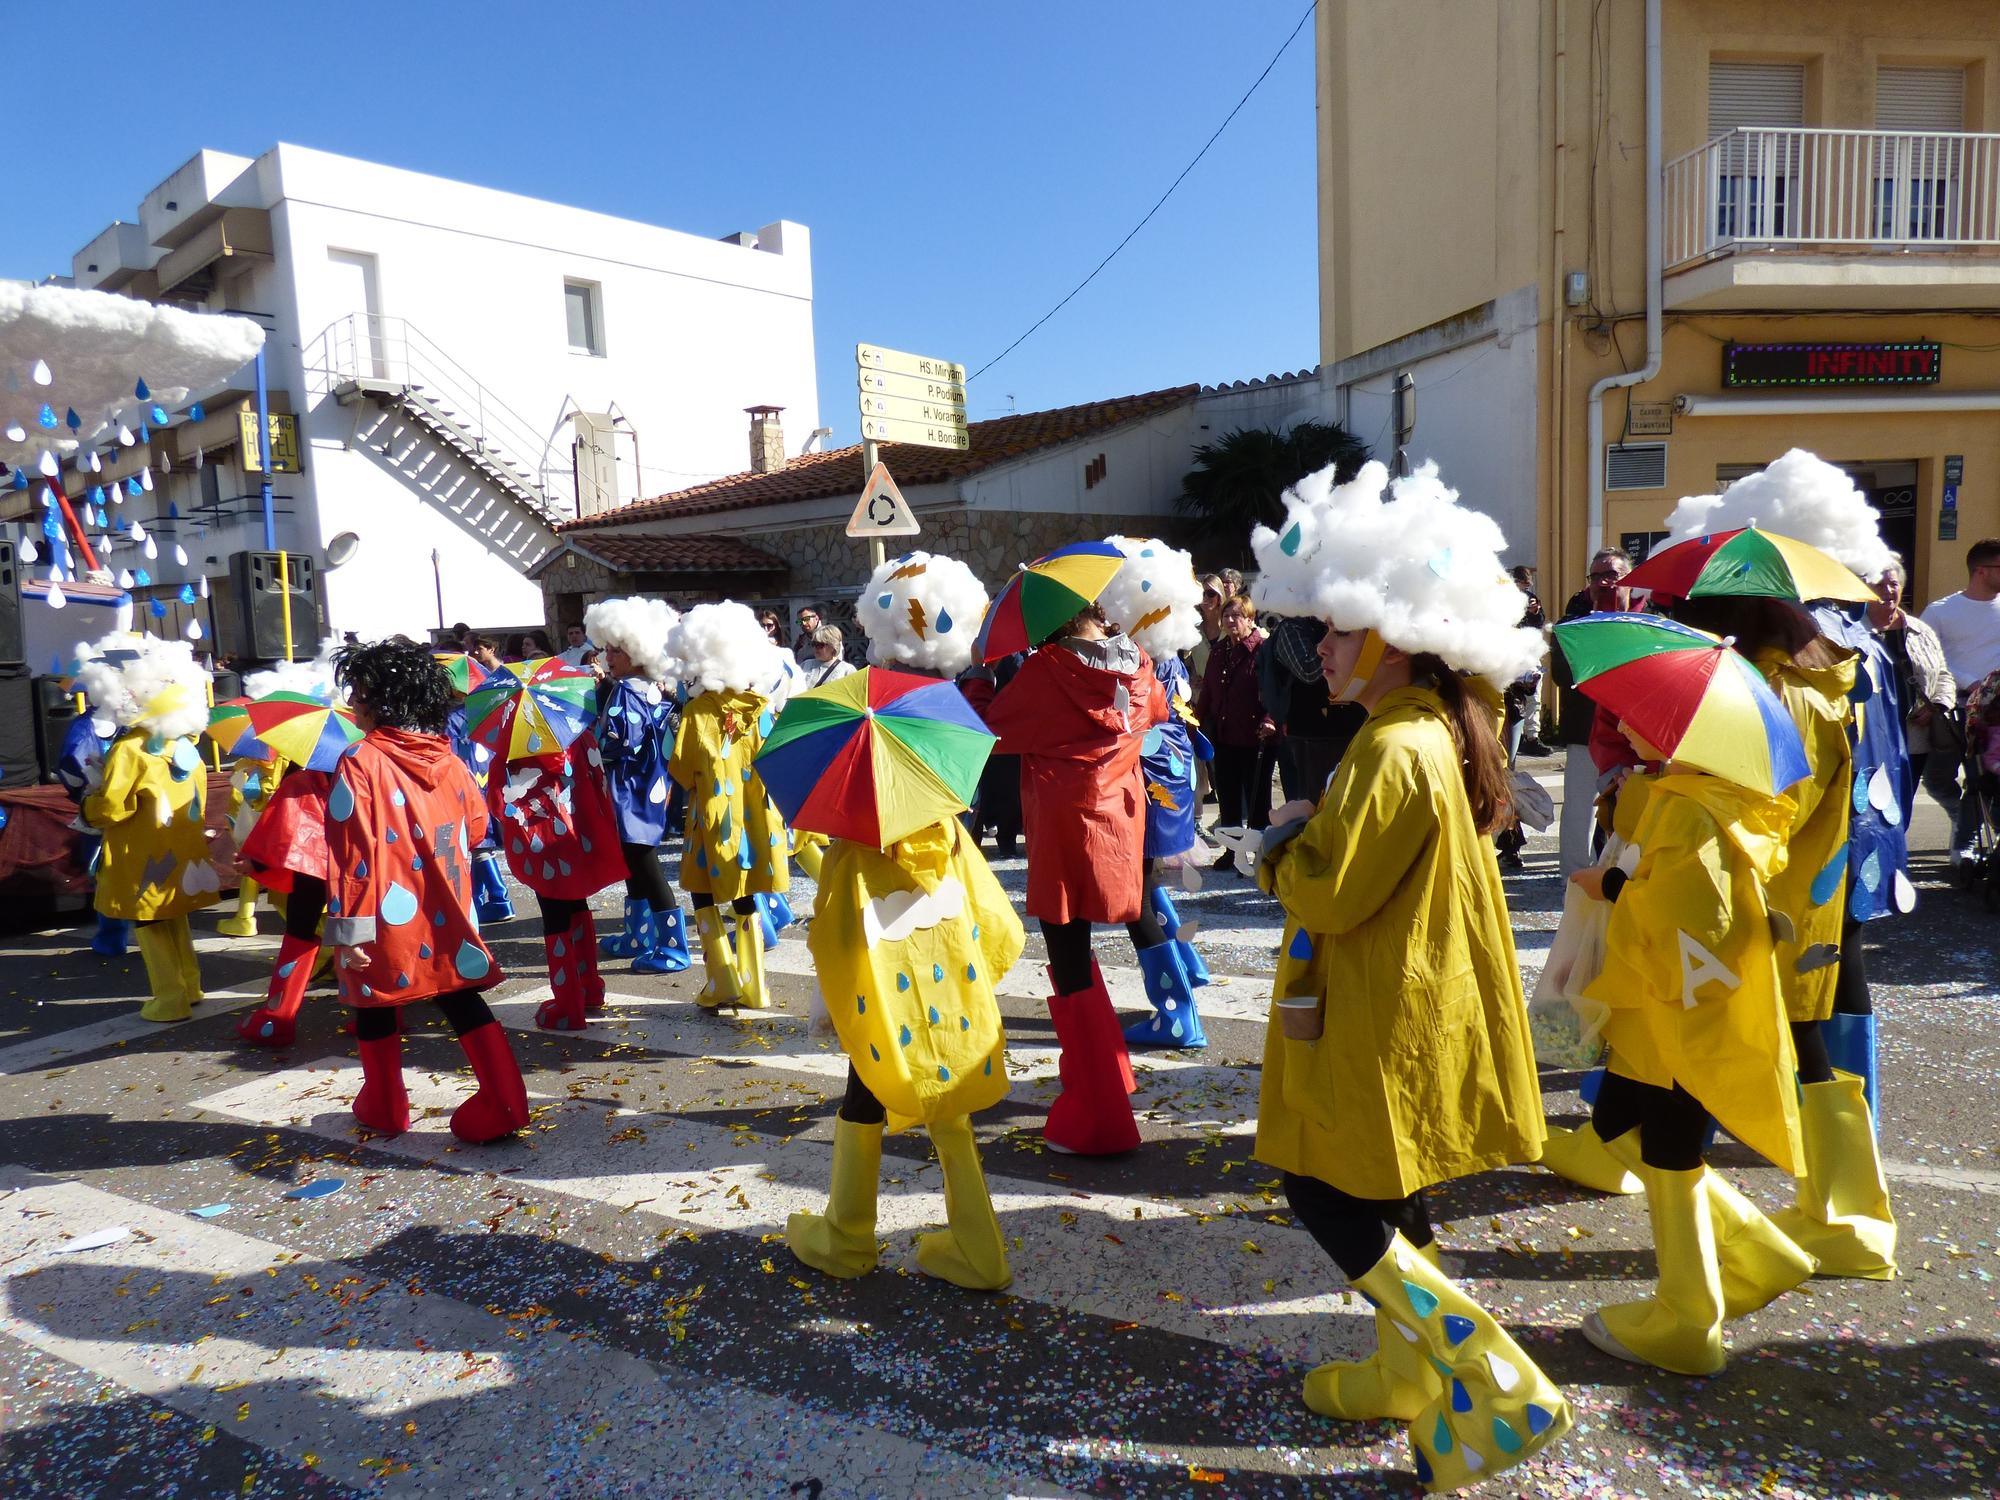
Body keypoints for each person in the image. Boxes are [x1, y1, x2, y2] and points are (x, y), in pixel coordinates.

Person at [1247, 459, 1568, 1491]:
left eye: (1339, 629)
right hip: (1411, 1001)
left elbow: (1330, 894)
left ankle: (1483, 1366)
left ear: (1390, 635)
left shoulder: (1392, 747)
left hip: (1378, 1011)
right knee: (1388, 1189)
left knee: (1321, 1187)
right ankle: (1406, 1374)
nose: (1322, 649)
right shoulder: (1431, 724)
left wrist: (1280, 842)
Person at [787, 549, 1022, 1291]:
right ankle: (978, 1247)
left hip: (880, 955)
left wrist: (817, 863)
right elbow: (970, 864)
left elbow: (843, 881)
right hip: (944, 944)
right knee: (937, 1072)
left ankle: (849, 1235)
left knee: (870, 1065)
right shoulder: (946, 739)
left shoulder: (854, 733)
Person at [1567, 702, 1815, 1377]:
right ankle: (1757, 1252)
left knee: (1668, 1145)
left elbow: (1686, 913)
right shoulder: (1709, 794)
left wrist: (1610, 884)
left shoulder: (1690, 805)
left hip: (1679, 1009)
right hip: (1674, 1006)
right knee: (1621, 1122)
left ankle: (1688, 1319)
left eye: (1641, 713)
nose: (1625, 721)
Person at [985, 586, 1169, 1156]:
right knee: (1117, 931)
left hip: (1066, 821)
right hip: (1119, 817)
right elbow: (1158, 712)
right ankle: (1117, 1069)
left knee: (1070, 959)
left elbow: (996, 727)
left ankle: (1098, 1110)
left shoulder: (1047, 669)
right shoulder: (1139, 664)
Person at [322, 638, 529, 1142]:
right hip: (449, 907)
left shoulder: (359, 760)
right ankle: (505, 1101)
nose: (353, 705)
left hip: (382, 913)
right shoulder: (451, 760)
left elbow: (351, 852)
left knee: (373, 1000)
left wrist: (347, 930)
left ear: (385, 700)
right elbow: (478, 829)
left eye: (360, 694)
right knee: (458, 994)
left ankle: (386, 1104)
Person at [1099, 535, 1215, 1049]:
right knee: (1149, 883)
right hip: (1172, 773)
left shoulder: (1132, 658)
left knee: (1136, 898)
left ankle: (1176, 1016)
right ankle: (1187, 966)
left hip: (1148, 778)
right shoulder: (1164, 652)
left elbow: (1121, 722)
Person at [79, 637, 222, 1024]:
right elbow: (200, 801)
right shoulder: (188, 746)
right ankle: (190, 985)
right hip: (179, 846)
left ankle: (169, 997)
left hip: (142, 851)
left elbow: (111, 806)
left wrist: (86, 806)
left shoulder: (130, 749)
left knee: (148, 919)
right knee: (173, 914)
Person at [669, 602, 794, 1010]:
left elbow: (682, 770)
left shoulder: (697, 711)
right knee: (746, 892)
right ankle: (755, 984)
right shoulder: (759, 708)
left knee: (702, 891)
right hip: (754, 815)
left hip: (712, 817)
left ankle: (722, 978)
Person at [585, 596, 691, 975]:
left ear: (635, 650)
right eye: (607, 649)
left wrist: (594, 733)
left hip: (630, 789)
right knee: (634, 861)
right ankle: (639, 936)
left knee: (643, 863)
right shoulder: (650, 687)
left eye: (616, 650)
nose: (608, 656)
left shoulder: (626, 691)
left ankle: (673, 946)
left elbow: (617, 743)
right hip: (650, 786)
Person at [1553, 548, 1637, 875]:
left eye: (1611, 574)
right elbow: (1563, 674)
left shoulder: (1648, 621)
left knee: (1631, 807)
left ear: (1628, 579)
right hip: (1585, 730)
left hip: (1633, 734)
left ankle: (1628, 873)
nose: (1603, 582)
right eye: (1596, 576)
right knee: (1578, 811)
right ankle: (1575, 878)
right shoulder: (1574, 626)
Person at [55, 636, 139, 958]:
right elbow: (72, 767)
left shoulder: (138, 724)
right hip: (105, 811)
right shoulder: (87, 727)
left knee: (131, 873)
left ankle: (134, 932)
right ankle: (114, 935)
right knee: (106, 874)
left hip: (129, 810)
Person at [1919, 537, 2000, 861]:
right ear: (1981, 571)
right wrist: (1969, 681)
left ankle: (1964, 843)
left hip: (1994, 714)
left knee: (1982, 779)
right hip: (1955, 708)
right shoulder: (1941, 612)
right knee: (1936, 777)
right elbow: (1925, 658)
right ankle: (1960, 818)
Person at [1869, 555, 1955, 803]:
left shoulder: (1920, 631)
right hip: (1870, 742)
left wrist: (1937, 705)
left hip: (1914, 739)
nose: (1888, 591)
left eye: (1894, 584)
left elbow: (1942, 674)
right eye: (1879, 584)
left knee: (1902, 806)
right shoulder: (1852, 633)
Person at [1195, 592, 1272, 863]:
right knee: (1228, 798)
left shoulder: (1263, 650)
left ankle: (1262, 852)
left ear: (1250, 619)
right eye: (1226, 615)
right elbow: (1208, 691)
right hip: (1224, 736)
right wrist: (1195, 721)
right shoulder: (1219, 651)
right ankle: (1232, 850)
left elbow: (1274, 691)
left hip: (1255, 737)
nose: (1229, 620)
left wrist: (1270, 719)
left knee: (1257, 798)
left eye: (1236, 615)